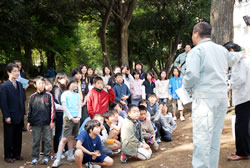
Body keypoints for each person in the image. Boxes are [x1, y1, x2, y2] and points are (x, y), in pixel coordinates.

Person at [183, 22, 244, 168]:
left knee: (202, 138)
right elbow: (233, 58)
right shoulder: (221, 50)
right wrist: (241, 53)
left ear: (196, 34)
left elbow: (192, 75)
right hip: (221, 98)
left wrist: (185, 86)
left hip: (205, 99)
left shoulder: (197, 51)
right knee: (214, 138)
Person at [223, 42, 250, 161]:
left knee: (241, 126)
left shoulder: (239, 62)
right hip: (245, 97)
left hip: (244, 98)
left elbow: (241, 78)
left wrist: (229, 85)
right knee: (245, 125)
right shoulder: (242, 60)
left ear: (231, 51)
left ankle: (242, 152)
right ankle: (245, 150)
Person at [52, 80, 82, 167]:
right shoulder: (65, 94)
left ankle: (70, 155)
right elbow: (64, 107)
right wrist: (71, 117)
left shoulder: (76, 95)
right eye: (73, 83)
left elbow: (79, 106)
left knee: (72, 138)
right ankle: (57, 159)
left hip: (77, 118)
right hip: (68, 118)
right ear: (69, 84)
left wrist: (79, 117)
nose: (75, 85)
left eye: (76, 84)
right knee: (64, 139)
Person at [0, 63, 26, 163]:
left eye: (18, 71)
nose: (16, 73)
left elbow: (22, 100)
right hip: (10, 115)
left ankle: (17, 154)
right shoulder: (4, 86)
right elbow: (3, 103)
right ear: (8, 72)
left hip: (19, 114)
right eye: (14, 71)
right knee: (9, 137)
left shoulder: (19, 84)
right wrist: (6, 116)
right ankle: (8, 155)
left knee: (18, 136)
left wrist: (23, 112)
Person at [27, 76, 55, 165]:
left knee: (47, 140)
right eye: (39, 83)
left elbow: (52, 109)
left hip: (47, 123)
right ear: (35, 85)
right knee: (36, 141)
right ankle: (35, 157)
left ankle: (46, 157)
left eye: (43, 83)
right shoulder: (32, 97)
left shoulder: (49, 95)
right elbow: (29, 110)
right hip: (35, 123)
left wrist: (52, 121)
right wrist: (29, 122)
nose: (42, 85)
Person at [52, 73, 68, 155]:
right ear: (58, 79)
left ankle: (64, 149)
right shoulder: (57, 89)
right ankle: (57, 151)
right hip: (59, 114)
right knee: (58, 133)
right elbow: (58, 102)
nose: (65, 80)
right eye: (63, 78)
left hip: (63, 113)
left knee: (63, 132)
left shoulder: (62, 88)